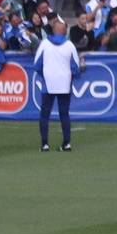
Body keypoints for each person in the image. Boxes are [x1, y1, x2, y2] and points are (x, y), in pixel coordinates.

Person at [34, 18, 77, 151]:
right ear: (64, 31)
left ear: (53, 30)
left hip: (49, 83)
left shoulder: (45, 44)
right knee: (64, 113)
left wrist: (45, 75)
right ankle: (66, 143)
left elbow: (37, 65)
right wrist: (69, 78)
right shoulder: (70, 45)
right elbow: (75, 67)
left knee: (44, 114)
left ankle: (45, 144)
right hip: (64, 83)